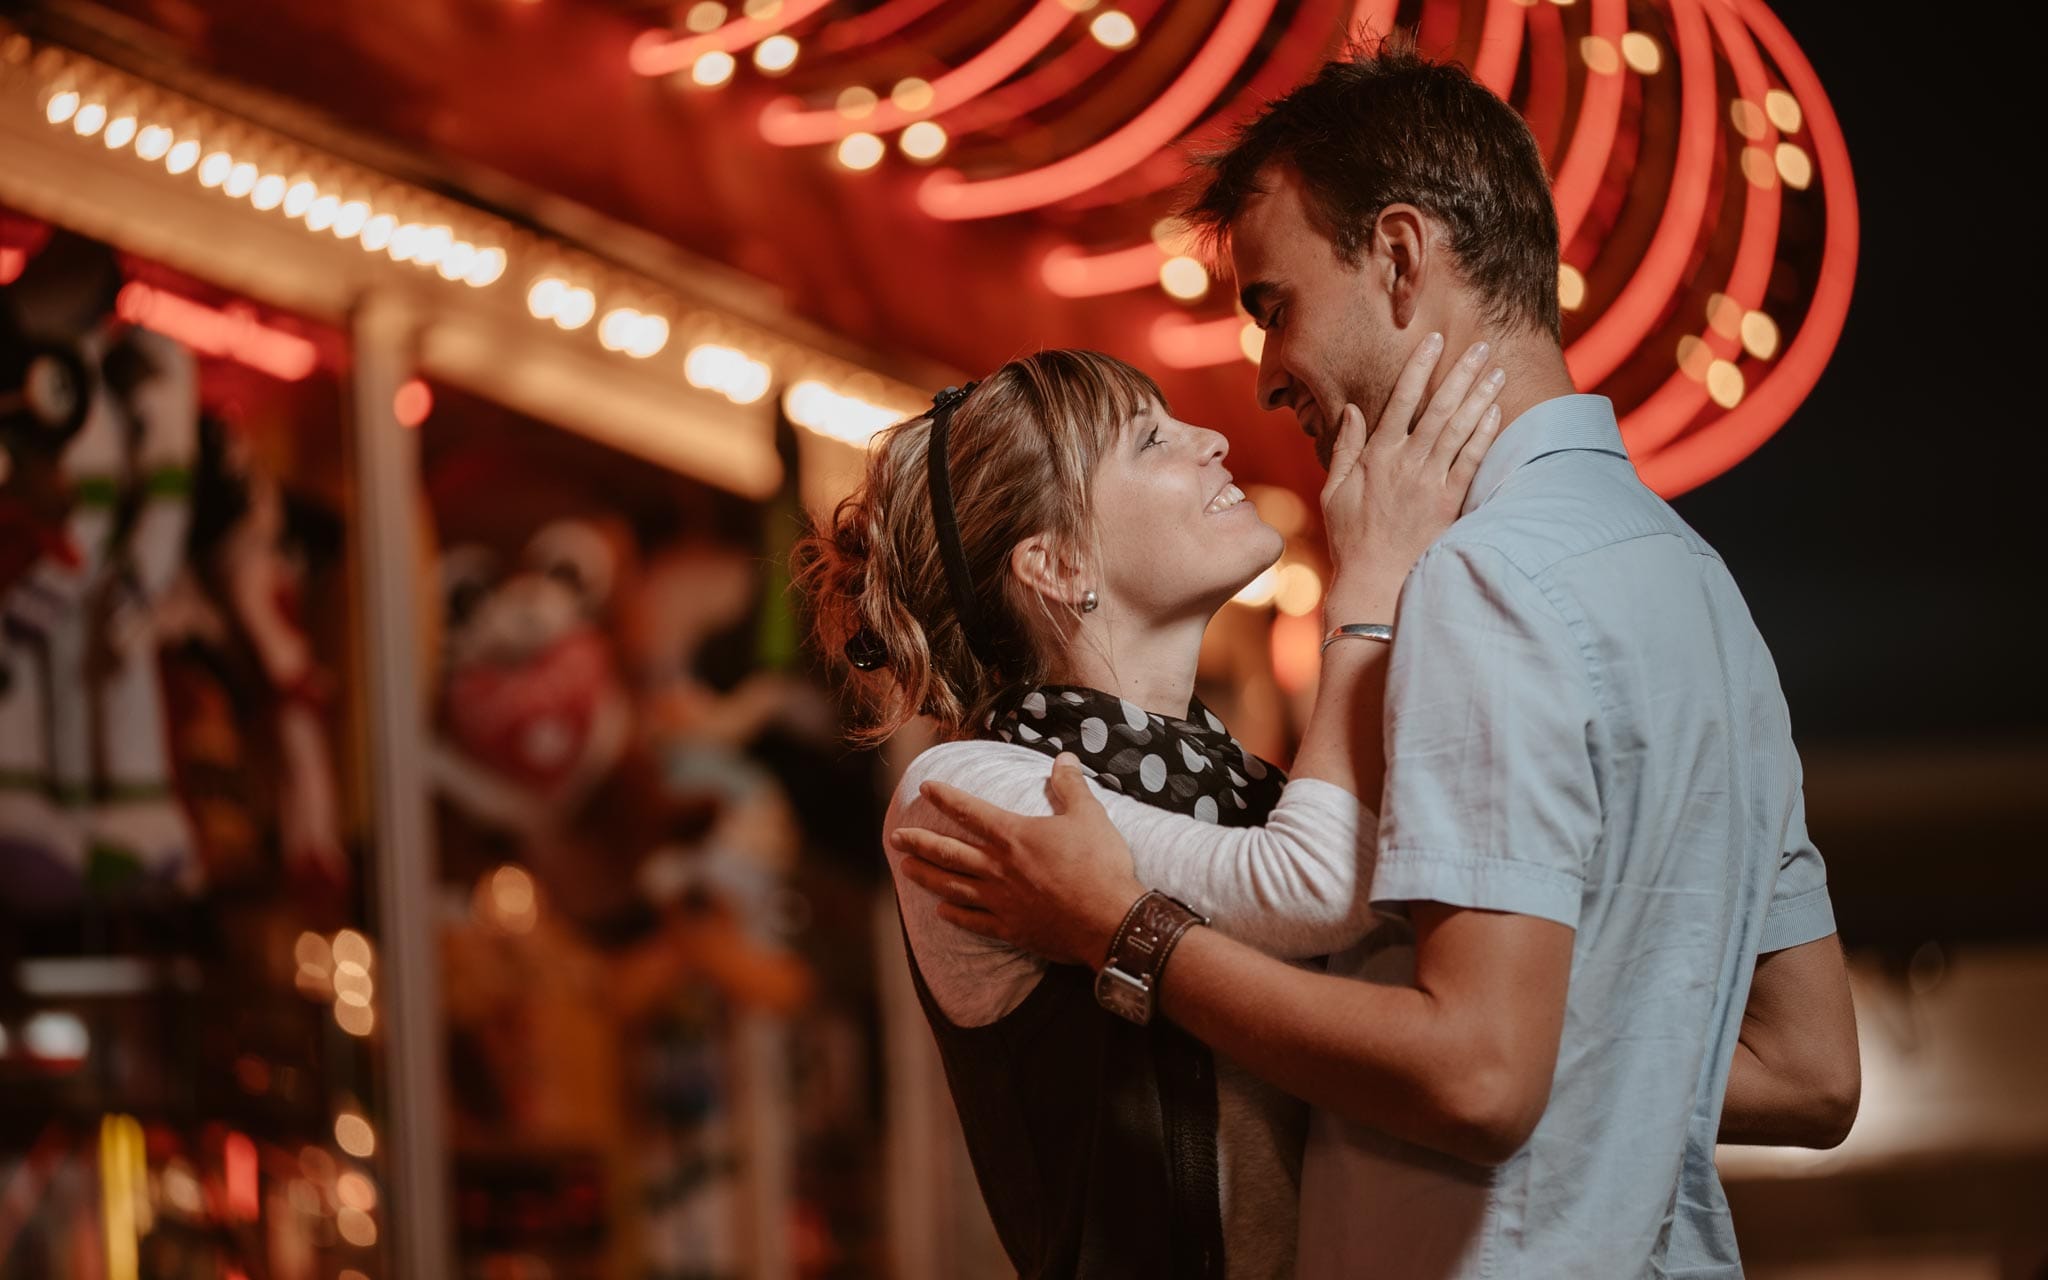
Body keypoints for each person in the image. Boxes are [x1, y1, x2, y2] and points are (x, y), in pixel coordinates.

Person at [892, 44, 1862, 1279]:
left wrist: (1124, 929)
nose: (1256, 376)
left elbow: (1472, 1069)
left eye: (1272, 304)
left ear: (1399, 260)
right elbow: (1806, 1068)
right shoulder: (1706, 595)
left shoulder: (1473, 582)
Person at [792, 344, 1510, 1278]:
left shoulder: (1236, 778)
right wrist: (1368, 585)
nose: (1211, 437)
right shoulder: (966, 792)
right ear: (1056, 564)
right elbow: (1317, 886)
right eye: (1150, 439)